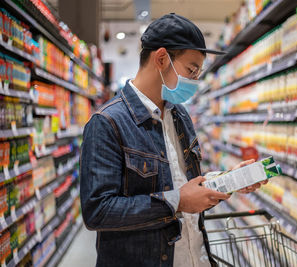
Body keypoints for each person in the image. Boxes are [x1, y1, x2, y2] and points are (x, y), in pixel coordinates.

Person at [80, 13, 267, 267]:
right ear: (161, 59)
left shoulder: (180, 115)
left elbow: (184, 185)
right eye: (191, 70)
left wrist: (227, 180)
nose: (195, 81)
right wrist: (176, 202)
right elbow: (98, 212)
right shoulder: (107, 123)